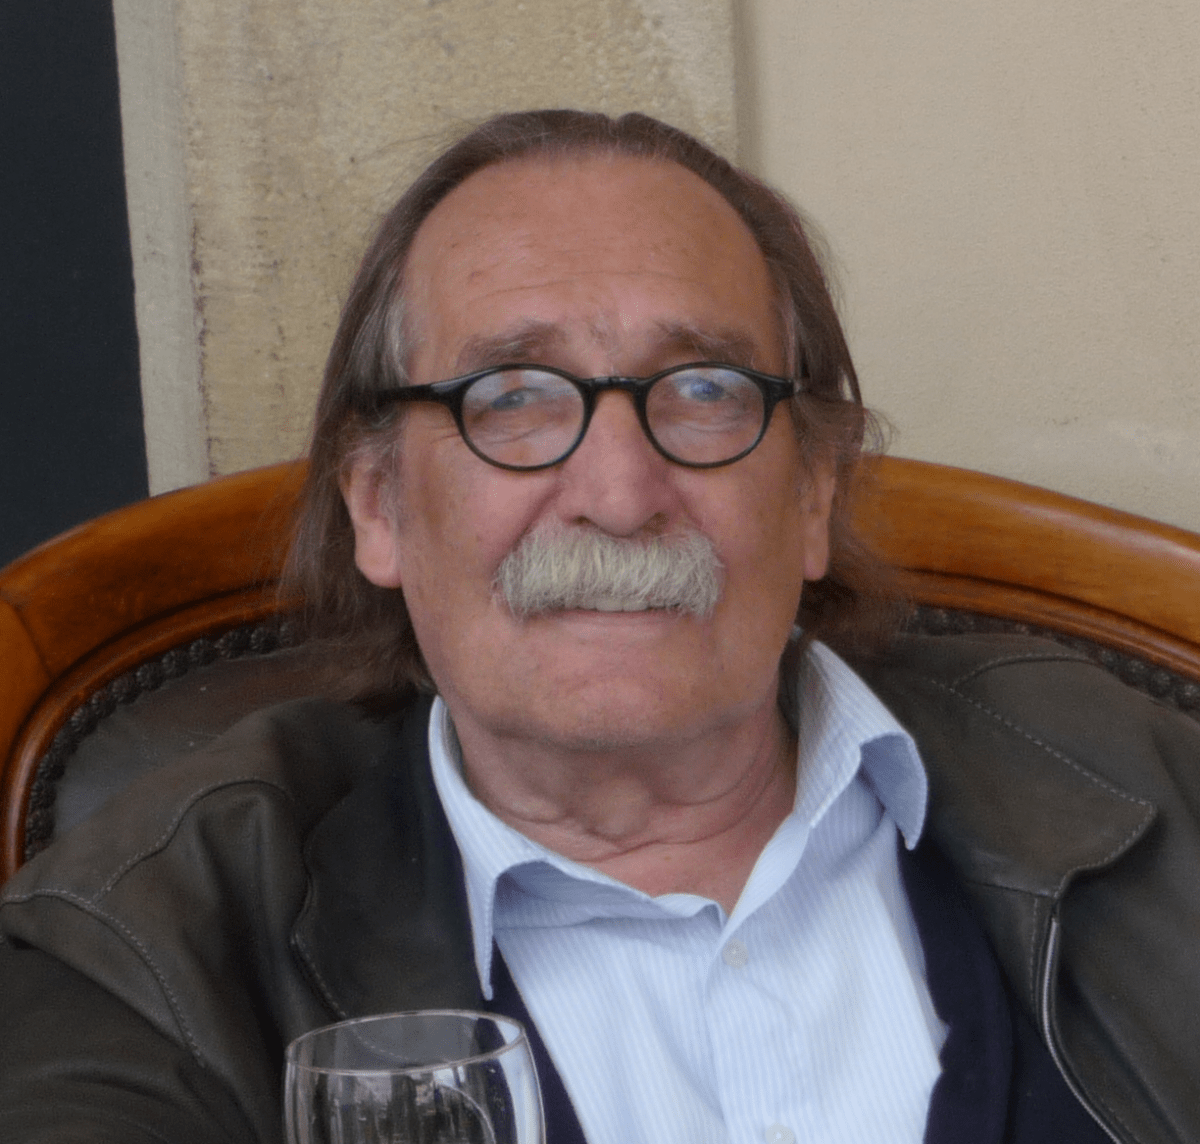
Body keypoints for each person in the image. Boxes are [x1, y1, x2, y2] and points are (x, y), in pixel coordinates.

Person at [1, 110, 1197, 1144]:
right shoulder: (141, 950)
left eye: (705, 390)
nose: (620, 495)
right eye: (512, 398)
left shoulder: (1157, 795)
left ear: (813, 494)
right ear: (377, 505)